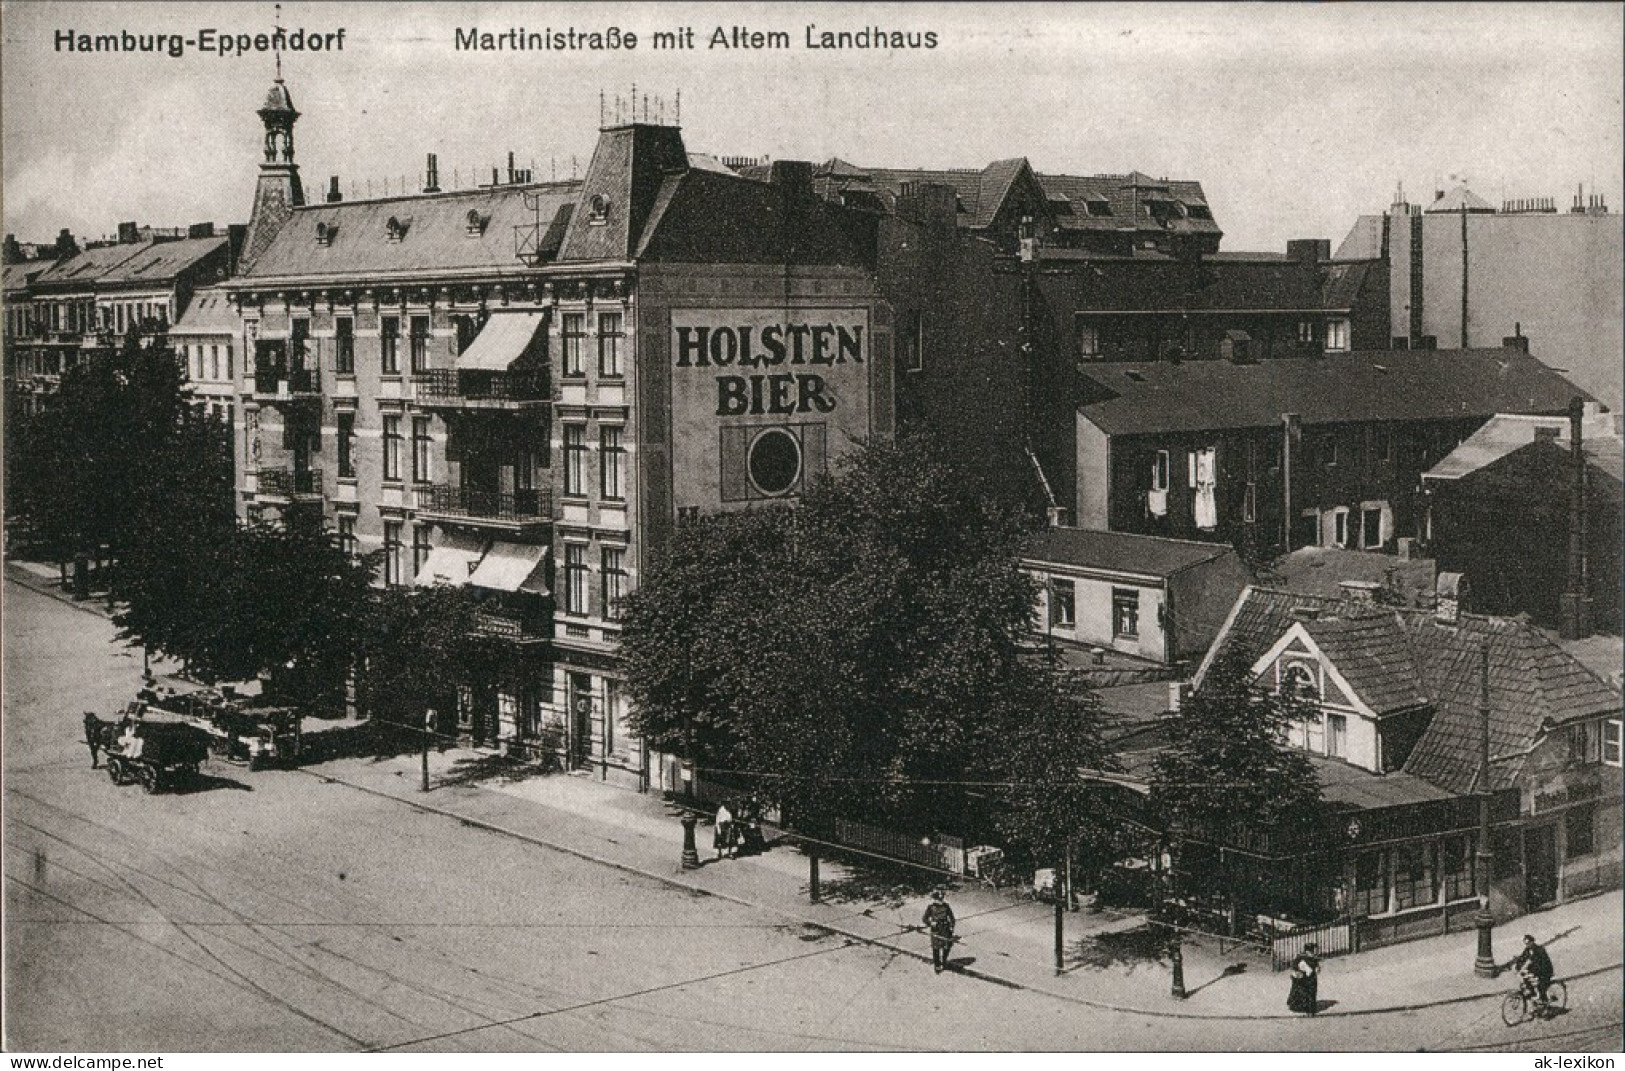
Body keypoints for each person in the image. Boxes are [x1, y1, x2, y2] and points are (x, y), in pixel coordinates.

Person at [1511, 935, 1554, 1012]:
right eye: (1525, 943)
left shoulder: (1540, 950)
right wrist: (1517, 966)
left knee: (1540, 986)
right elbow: (1522, 958)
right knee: (1526, 982)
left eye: (1528, 943)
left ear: (1532, 942)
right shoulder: (1527, 950)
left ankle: (1545, 1006)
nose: (1527, 945)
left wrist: (1533, 972)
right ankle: (1534, 999)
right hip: (1535, 970)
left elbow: (1542, 964)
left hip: (1544, 971)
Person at [922, 889, 957, 974]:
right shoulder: (931, 907)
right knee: (936, 949)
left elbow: (952, 918)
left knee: (947, 947)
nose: (940, 900)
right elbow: (924, 919)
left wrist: (951, 927)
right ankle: (937, 966)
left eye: (942, 898)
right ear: (935, 898)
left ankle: (944, 961)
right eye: (939, 898)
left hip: (945, 929)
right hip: (936, 930)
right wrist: (931, 923)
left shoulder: (946, 906)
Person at [1287, 942, 1320, 1015]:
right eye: (1312, 951)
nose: (1313, 952)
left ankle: (1309, 1009)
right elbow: (1294, 966)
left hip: (1311, 977)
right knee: (1302, 992)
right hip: (1302, 978)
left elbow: (1316, 965)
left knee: (1310, 993)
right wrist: (1296, 972)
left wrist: (1317, 968)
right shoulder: (1301, 957)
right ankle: (1300, 1007)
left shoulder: (1313, 957)